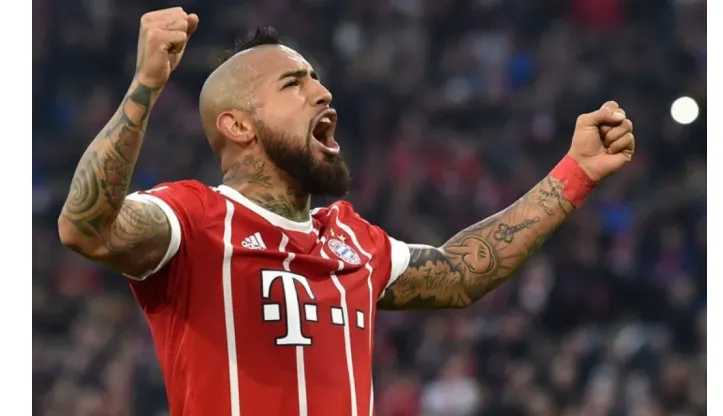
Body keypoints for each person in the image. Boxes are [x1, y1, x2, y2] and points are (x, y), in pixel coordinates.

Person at [57, 7, 636, 416]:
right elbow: (85, 226)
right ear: (238, 125)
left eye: (317, 78)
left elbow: (465, 272)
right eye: (294, 83)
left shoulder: (353, 241)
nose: (322, 92)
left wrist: (576, 171)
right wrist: (145, 86)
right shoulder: (193, 220)